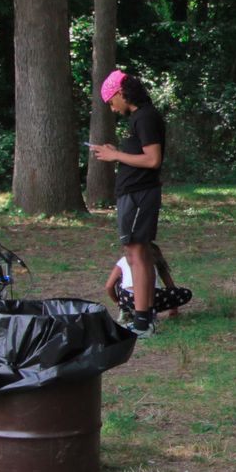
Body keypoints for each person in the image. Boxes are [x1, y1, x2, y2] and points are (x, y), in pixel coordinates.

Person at [89, 69, 166, 337]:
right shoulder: (140, 118)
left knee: (137, 254)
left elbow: (152, 159)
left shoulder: (144, 117)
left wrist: (115, 155)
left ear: (122, 93)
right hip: (133, 195)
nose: (112, 108)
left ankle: (144, 322)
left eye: (111, 101)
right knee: (135, 255)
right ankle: (142, 318)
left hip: (140, 194)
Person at [103, 242, 190, 318]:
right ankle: (151, 311)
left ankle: (125, 310)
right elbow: (170, 287)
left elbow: (109, 286)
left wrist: (118, 301)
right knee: (186, 293)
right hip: (152, 298)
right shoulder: (154, 260)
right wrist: (174, 308)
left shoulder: (125, 260)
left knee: (121, 279)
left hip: (128, 297)